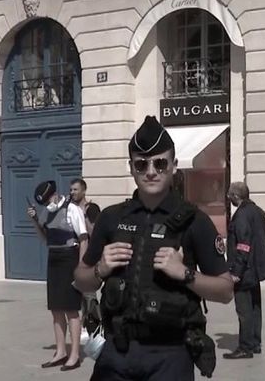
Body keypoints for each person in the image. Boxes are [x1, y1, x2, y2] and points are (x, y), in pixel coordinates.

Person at [73, 116, 234, 380]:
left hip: (170, 355)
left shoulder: (195, 222)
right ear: (132, 168)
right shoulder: (112, 218)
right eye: (142, 164)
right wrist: (100, 270)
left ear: (174, 166)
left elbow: (226, 290)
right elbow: (81, 280)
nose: (151, 171)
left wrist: (185, 274)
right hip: (116, 353)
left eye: (160, 163)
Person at [27, 180, 88, 371]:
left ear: (54, 194)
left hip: (69, 259)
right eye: (43, 203)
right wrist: (35, 220)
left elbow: (83, 239)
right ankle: (61, 352)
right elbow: (45, 238)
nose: (46, 205)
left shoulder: (72, 209)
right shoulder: (47, 211)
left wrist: (80, 267)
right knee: (55, 309)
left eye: (47, 201)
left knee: (71, 309)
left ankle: (75, 355)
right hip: (53, 258)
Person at [223, 181, 265, 359]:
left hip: (245, 270)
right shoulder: (259, 212)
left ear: (236, 196)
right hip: (256, 268)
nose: (229, 199)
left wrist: (236, 271)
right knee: (255, 307)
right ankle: (255, 342)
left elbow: (243, 245)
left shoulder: (242, 215)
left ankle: (245, 347)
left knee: (244, 310)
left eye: (230, 196)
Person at [69, 178, 102, 338]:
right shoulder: (70, 209)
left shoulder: (91, 208)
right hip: (74, 255)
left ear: (83, 190)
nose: (72, 193)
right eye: (71, 190)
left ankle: (94, 325)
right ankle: (83, 325)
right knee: (78, 291)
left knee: (89, 293)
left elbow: (95, 232)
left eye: (75, 189)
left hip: (89, 256)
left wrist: (82, 218)